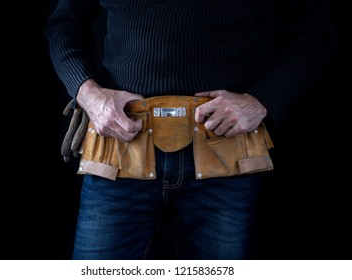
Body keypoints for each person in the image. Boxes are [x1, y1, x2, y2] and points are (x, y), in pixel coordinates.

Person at [44, 0, 334, 260]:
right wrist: (88, 93)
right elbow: (64, 23)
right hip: (120, 150)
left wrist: (263, 101)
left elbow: (315, 27)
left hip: (225, 151)